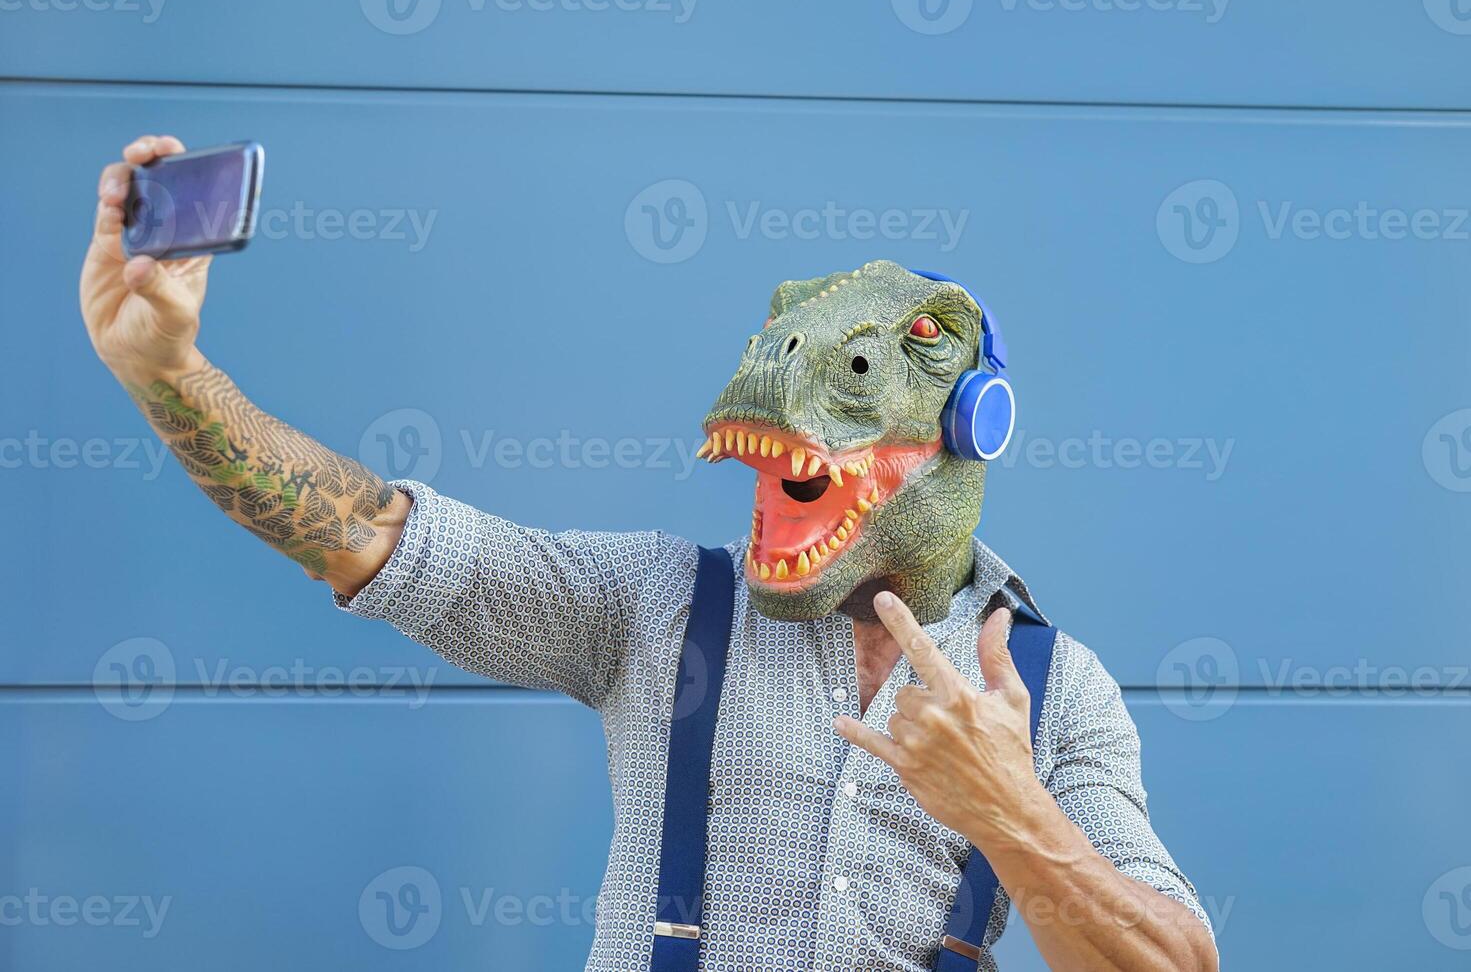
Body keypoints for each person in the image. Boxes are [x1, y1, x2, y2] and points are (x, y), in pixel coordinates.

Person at [81, 134, 1218, 971]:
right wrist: (166, 372)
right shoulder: (655, 606)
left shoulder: (1058, 690)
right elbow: (368, 531)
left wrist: (1009, 807)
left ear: (976, 422)